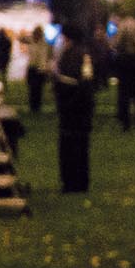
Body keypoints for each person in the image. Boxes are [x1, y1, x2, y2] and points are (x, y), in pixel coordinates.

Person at [52, 19, 107, 194]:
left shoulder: (73, 55)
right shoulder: (84, 54)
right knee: (81, 147)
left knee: (70, 146)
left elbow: (80, 82)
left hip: (73, 106)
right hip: (82, 108)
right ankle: (80, 181)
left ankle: (71, 182)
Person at [111, 13, 135, 131]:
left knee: (124, 93)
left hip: (126, 60)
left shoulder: (123, 26)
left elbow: (117, 44)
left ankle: (126, 122)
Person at [23, 25, 53, 114]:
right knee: (32, 88)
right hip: (31, 67)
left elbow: (48, 56)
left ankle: (37, 107)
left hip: (40, 69)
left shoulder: (45, 44)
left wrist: (47, 68)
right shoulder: (30, 41)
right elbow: (21, 38)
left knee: (38, 89)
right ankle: (32, 106)